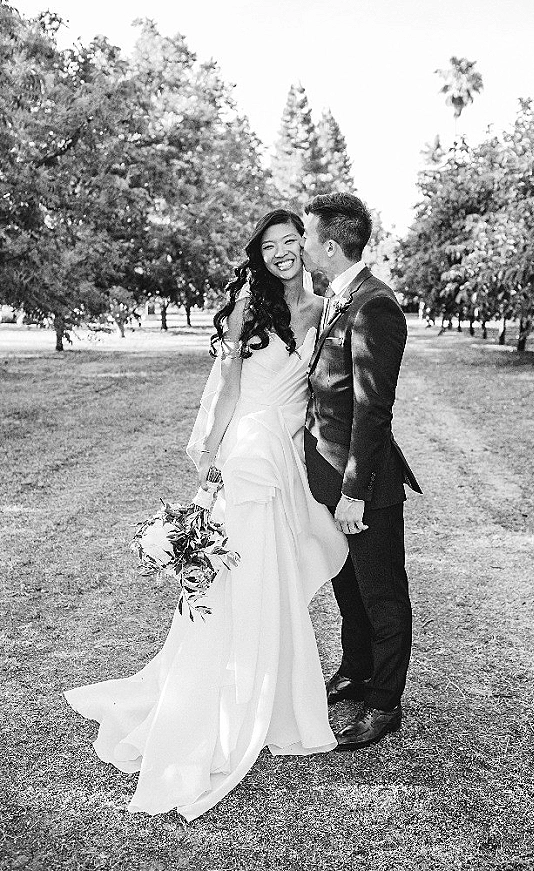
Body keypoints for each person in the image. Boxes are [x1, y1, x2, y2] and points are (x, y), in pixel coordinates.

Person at [64, 210, 348, 820]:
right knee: (240, 571)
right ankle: (224, 697)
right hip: (248, 453)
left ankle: (273, 693)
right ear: (258, 255)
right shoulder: (248, 307)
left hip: (288, 456)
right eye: (269, 246)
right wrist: (210, 454)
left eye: (290, 242)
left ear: (306, 245)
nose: (281, 253)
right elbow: (227, 386)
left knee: (275, 572)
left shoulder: (325, 308)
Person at [301, 192, 422, 751]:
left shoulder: (375, 305)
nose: (302, 246)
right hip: (329, 477)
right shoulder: (335, 297)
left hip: (365, 484)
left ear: (330, 245)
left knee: (382, 594)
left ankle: (384, 703)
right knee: (346, 585)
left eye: (307, 236)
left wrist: (355, 491)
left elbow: (374, 409)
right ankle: (355, 670)